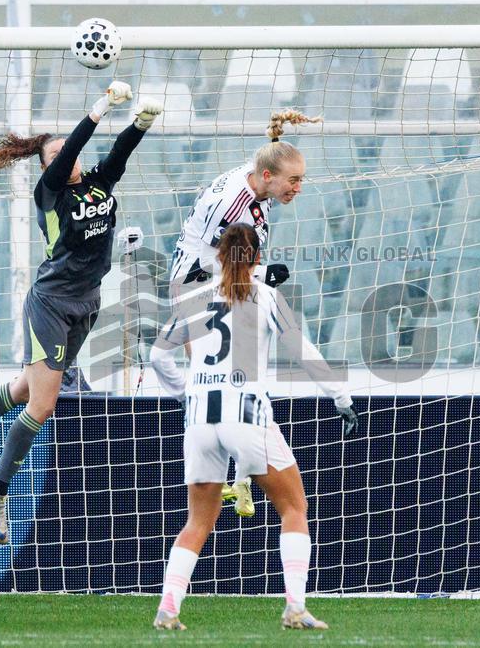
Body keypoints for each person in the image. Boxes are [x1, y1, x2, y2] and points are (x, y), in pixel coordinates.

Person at [0, 81, 164, 544]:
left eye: (69, 155)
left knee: (25, 387)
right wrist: (96, 109)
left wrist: (140, 124)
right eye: (59, 155)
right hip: (51, 302)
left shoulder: (96, 183)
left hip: (87, 302)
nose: (70, 159)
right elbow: (78, 144)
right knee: (43, 403)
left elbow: (119, 156)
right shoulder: (49, 192)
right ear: (49, 165)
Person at [150, 223, 358, 631]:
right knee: (294, 507)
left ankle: (167, 609)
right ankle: (295, 608)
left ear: (217, 259)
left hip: (199, 420)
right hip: (246, 415)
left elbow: (158, 357)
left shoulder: (194, 299)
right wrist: (340, 397)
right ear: (258, 258)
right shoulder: (265, 297)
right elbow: (303, 351)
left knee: (197, 522)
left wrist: (185, 394)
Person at [169, 109, 321, 518]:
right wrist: (264, 274)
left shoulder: (257, 182)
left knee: (242, 376)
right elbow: (222, 265)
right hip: (196, 284)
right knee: (217, 380)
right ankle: (226, 472)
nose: (299, 188)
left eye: (301, 180)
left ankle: (239, 475)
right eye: (294, 181)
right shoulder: (233, 207)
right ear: (270, 177)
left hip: (220, 276)